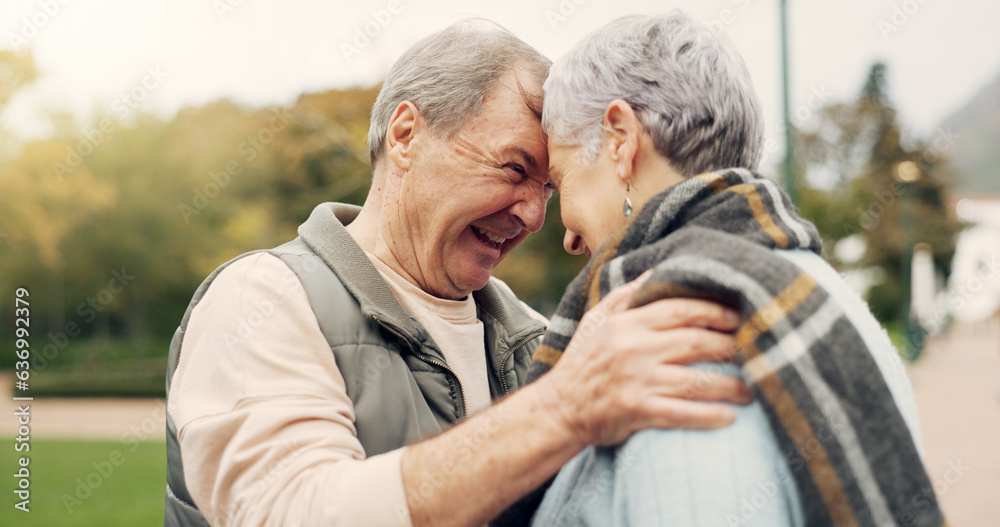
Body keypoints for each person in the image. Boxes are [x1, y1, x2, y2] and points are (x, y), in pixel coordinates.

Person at [164, 20, 755, 527]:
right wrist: (559, 412)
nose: (533, 214)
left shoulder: (540, 336)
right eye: (514, 169)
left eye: (550, 188)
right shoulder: (262, 297)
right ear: (405, 136)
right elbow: (293, 510)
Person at [527, 11, 946, 527]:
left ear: (620, 139)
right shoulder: (822, 295)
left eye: (561, 177)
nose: (567, 235)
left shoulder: (673, 336)